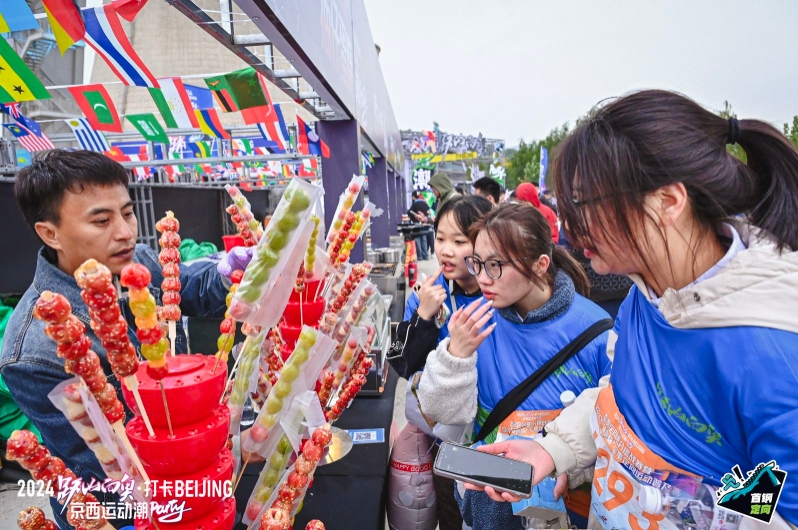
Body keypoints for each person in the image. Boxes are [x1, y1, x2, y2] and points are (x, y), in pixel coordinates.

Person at [465, 90, 798, 529]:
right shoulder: (644, 296)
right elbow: (619, 399)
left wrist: (687, 500)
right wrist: (552, 450)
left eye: (584, 204)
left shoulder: (771, 351)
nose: (569, 226)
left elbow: (774, 506)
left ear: (667, 203)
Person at [0, 150, 250, 529]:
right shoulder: (33, 352)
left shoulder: (136, 262)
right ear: (50, 233)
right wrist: (217, 449)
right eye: (102, 220)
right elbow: (98, 464)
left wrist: (228, 272)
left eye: (127, 213)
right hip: (125, 510)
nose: (125, 232)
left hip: (194, 482)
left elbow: (189, 288)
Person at [417, 203, 612, 529]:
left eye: (495, 265)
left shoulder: (596, 329)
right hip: (483, 494)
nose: (482, 277)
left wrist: (565, 461)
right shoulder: (473, 320)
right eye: (478, 263)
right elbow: (440, 413)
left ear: (540, 264)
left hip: (558, 506)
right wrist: (456, 355)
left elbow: (609, 422)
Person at [388, 195, 492, 530]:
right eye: (440, 238)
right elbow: (401, 365)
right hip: (446, 441)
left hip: (494, 436)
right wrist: (423, 317)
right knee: (452, 512)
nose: (445, 250)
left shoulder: (501, 295)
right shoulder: (428, 295)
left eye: (459, 241)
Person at [408, 190, 433, 260]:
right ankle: (426, 255)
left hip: (416, 224)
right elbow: (429, 212)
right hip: (424, 223)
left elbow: (409, 213)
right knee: (424, 239)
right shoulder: (425, 203)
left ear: (413, 197)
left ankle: (420, 256)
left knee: (417, 239)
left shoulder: (414, 204)